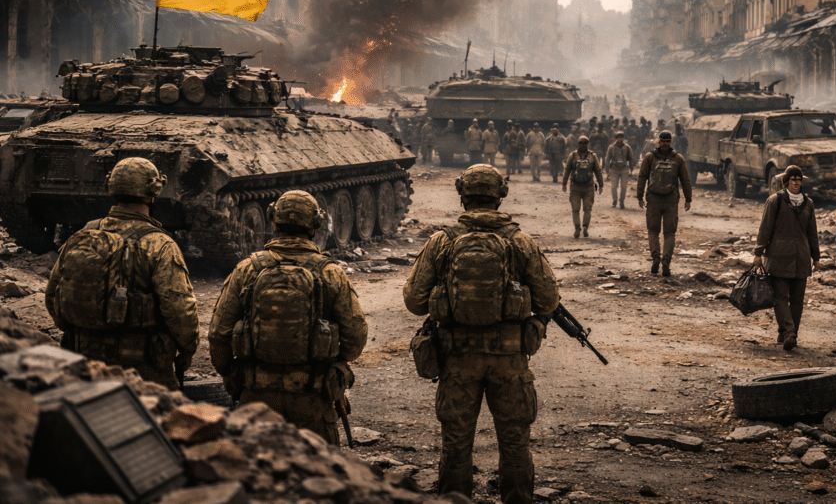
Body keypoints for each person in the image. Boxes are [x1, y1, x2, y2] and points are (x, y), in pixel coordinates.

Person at [404, 165, 560, 504]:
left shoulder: (442, 241)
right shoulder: (520, 241)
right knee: (515, 441)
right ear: (500, 196)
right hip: (509, 360)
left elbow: (414, 302)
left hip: (457, 359)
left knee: (456, 444)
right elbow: (549, 299)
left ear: (462, 196)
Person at [208, 190, 367, 444]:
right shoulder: (331, 273)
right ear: (314, 226)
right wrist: (335, 369)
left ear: (274, 223)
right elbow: (355, 337)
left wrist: (232, 376)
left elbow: (218, 333)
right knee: (319, 477)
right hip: (313, 399)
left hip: (256, 399)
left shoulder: (247, 269)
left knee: (258, 475)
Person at [45, 157, 199, 390]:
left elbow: (52, 295)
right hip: (141, 368)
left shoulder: (84, 234)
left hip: (83, 361)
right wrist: (187, 348)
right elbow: (179, 309)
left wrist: (85, 331)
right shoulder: (160, 244)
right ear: (153, 192)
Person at [752, 166, 820, 351]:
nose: (796, 183)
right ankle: (790, 333)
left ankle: (788, 334)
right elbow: (765, 228)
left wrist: (816, 257)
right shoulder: (775, 201)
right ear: (786, 182)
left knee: (796, 299)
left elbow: (812, 232)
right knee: (781, 297)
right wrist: (758, 253)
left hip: (801, 257)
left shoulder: (809, 203)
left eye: (799, 179)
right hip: (779, 256)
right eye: (793, 179)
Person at [636, 132, 692, 277]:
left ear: (659, 142)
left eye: (666, 141)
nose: (665, 143)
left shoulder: (650, 157)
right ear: (661, 142)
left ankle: (656, 258)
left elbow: (642, 177)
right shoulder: (678, 158)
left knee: (653, 232)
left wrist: (640, 197)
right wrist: (688, 199)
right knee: (669, 233)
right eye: (664, 141)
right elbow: (685, 180)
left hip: (653, 200)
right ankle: (666, 261)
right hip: (671, 200)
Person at [563, 136, 603, 238]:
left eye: (585, 143)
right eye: (581, 143)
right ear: (578, 143)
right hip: (575, 186)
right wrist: (564, 183)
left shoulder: (592, 156)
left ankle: (585, 227)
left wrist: (601, 184)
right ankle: (577, 227)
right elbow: (567, 170)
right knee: (575, 209)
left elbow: (598, 171)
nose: (583, 144)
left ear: (587, 144)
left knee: (587, 208)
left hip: (588, 187)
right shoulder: (573, 155)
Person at [604, 131, 635, 209]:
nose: (620, 138)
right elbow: (607, 158)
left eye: (621, 137)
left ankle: (622, 201)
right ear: (616, 138)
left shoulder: (627, 147)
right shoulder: (611, 147)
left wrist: (631, 170)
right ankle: (614, 200)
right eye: (618, 137)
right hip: (614, 168)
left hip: (624, 168)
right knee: (614, 186)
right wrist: (607, 170)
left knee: (624, 186)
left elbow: (631, 159)